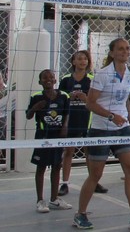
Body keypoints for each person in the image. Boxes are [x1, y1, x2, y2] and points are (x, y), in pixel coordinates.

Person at [73, 38, 130, 230]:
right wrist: (110, 116)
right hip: (101, 128)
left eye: (127, 48)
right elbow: (90, 103)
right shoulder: (102, 74)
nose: (125, 52)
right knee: (96, 174)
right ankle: (80, 214)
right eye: (120, 49)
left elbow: (126, 101)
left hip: (122, 127)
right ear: (112, 53)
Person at [58, 50, 108, 196]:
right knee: (68, 152)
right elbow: (60, 99)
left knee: (90, 153)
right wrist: (70, 97)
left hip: (88, 120)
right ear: (73, 62)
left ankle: (94, 181)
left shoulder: (92, 79)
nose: (82, 61)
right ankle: (64, 183)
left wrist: (84, 98)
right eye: (79, 59)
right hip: (72, 120)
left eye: (85, 59)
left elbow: (95, 101)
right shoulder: (66, 79)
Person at [27, 69, 72, 213]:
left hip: (58, 136)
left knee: (57, 165)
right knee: (41, 167)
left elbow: (66, 113)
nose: (48, 79)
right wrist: (35, 108)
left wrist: (65, 127)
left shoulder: (63, 96)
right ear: (40, 82)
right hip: (42, 137)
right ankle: (40, 200)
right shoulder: (36, 97)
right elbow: (28, 116)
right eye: (44, 78)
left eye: (51, 77)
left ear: (55, 80)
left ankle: (54, 199)